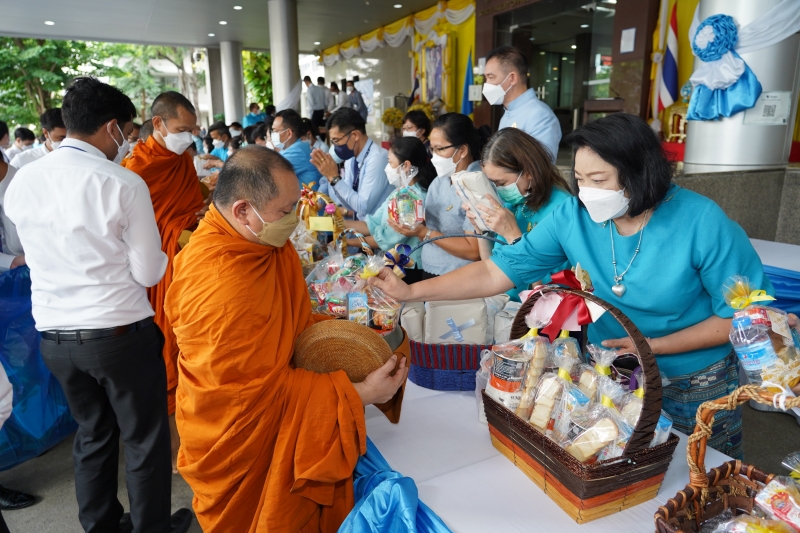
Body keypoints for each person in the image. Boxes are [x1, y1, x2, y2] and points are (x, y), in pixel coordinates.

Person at [372, 113, 771, 460]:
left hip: (694, 380)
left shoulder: (701, 221)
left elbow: (744, 317)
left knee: (701, 473)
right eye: (580, 179)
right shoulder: (574, 216)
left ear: (640, 173)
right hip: (612, 371)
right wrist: (411, 293)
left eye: (599, 179)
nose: (587, 193)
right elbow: (497, 272)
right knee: (618, 465)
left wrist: (654, 347)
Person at [164, 146, 407, 531]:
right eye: (285, 211)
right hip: (238, 441)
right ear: (243, 210)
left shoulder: (261, 244)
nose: (294, 220)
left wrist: (346, 329)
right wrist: (357, 394)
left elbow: (289, 322)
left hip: (275, 413)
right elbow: (248, 395)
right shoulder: (217, 281)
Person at [5, 77, 192, 532]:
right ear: (111, 127)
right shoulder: (122, 181)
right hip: (118, 335)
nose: (128, 141)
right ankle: (151, 527)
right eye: (127, 131)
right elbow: (150, 272)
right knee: (144, 441)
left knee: (92, 434)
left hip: (54, 336)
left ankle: (102, 526)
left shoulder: (22, 180)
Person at [120, 91, 206, 474]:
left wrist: (203, 205)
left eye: (193, 129)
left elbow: (185, 207)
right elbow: (140, 232)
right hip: (158, 276)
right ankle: (173, 451)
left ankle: (196, 436)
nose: (189, 137)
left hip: (192, 267)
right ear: (158, 124)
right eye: (182, 129)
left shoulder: (181, 158)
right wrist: (184, 231)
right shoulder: (136, 168)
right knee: (168, 357)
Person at [468, 128, 572, 300]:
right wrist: (482, 231)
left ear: (529, 171)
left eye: (501, 182)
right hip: (507, 305)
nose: (500, 190)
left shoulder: (561, 209)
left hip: (542, 312)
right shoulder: (517, 202)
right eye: (494, 183)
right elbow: (493, 267)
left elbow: (544, 293)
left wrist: (514, 237)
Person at [388, 113, 486, 279]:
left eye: (440, 149)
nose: (435, 156)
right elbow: (431, 225)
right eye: (432, 149)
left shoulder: (475, 185)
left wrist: (424, 232)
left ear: (462, 150)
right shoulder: (439, 181)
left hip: (459, 276)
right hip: (430, 269)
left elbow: (474, 250)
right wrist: (411, 222)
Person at [346, 137, 436, 283]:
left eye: (389, 162)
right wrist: (337, 223)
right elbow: (371, 224)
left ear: (405, 165)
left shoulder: (412, 198)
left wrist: (348, 243)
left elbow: (388, 239)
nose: (387, 168)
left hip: (408, 268)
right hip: (397, 264)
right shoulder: (399, 192)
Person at [483, 45, 561, 163]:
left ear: (512, 78)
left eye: (491, 77)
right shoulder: (508, 113)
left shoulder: (540, 115)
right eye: (486, 78)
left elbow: (540, 167)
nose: (487, 84)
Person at [310, 108, 392, 220]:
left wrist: (334, 178)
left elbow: (363, 207)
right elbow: (348, 204)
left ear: (355, 135)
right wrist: (331, 178)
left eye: (336, 140)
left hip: (377, 231)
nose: (334, 146)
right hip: (359, 227)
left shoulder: (378, 158)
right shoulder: (351, 158)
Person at [271, 109, 322, 190]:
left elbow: (270, 176)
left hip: (309, 201)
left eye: (276, 131)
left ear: (289, 133)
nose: (272, 134)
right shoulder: (294, 147)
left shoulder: (297, 151)